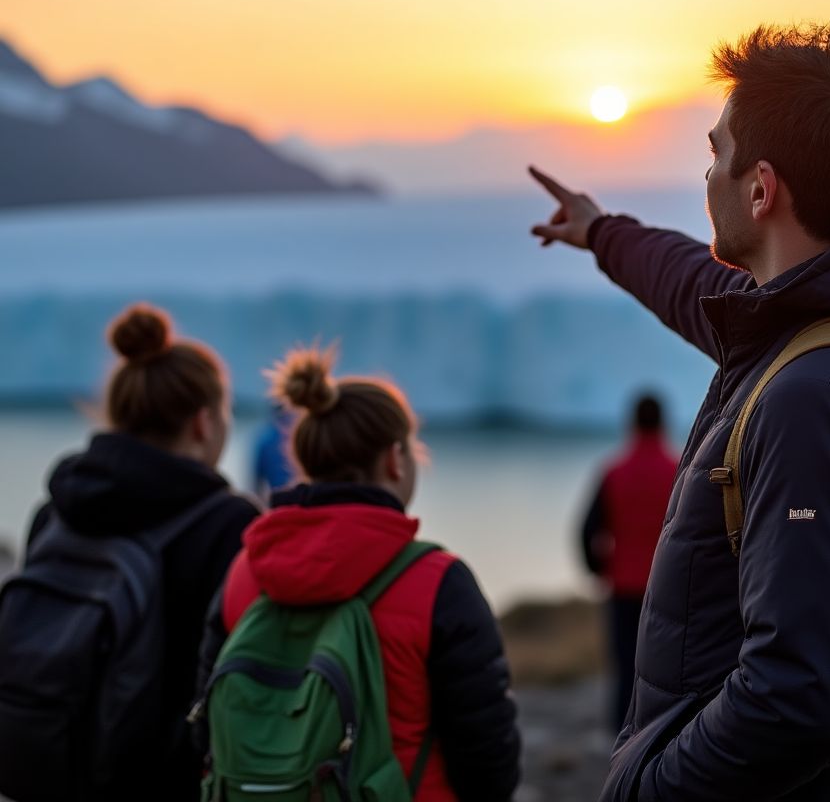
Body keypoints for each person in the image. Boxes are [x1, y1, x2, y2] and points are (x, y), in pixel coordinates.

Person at [529, 24, 830, 801]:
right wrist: (603, 234)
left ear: (760, 189)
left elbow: (801, 699)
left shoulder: (818, 403)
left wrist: (645, 789)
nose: (707, 173)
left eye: (718, 153)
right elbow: (698, 288)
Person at [196, 344, 521, 801]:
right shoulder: (437, 582)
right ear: (395, 459)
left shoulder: (246, 572)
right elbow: (488, 762)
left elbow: (205, 726)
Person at [15, 304, 260, 801]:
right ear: (203, 423)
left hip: (45, 767)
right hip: (158, 781)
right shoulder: (228, 526)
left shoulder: (57, 511)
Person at [580, 393, 677, 730]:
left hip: (622, 585)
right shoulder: (678, 470)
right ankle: (661, 732)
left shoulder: (613, 472)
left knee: (624, 663)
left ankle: (621, 736)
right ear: (663, 423)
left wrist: (600, 569)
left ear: (632, 423)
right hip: (667, 586)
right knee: (666, 665)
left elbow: (587, 530)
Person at [251, 402, 295, 500]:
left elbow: (257, 481)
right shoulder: (295, 434)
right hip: (299, 496)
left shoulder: (265, 438)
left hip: (276, 498)